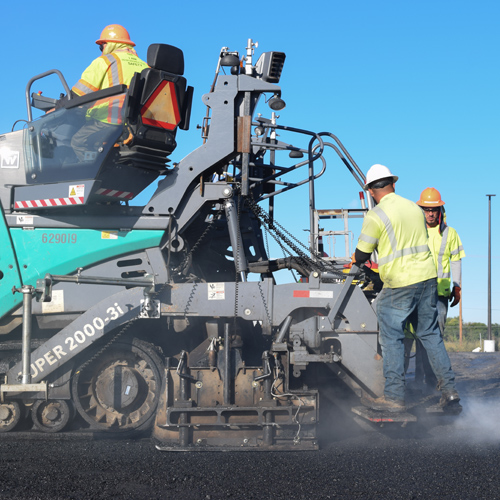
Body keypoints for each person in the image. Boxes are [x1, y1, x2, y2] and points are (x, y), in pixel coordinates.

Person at [354, 164, 461, 412]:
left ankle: (393, 396)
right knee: (431, 335)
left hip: (400, 282)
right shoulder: (414, 208)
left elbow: (362, 254)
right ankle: (450, 391)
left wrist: (358, 259)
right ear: (393, 184)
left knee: (391, 334)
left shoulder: (375, 215)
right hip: (427, 280)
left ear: (370, 191)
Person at [404, 188, 466, 392]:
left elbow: (455, 260)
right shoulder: (413, 232)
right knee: (410, 337)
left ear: (440, 210)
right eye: (426, 209)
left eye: (434, 209)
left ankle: (431, 381)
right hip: (416, 292)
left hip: (439, 295)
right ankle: (414, 379)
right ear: (420, 209)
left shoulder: (449, 233)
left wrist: (456, 286)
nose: (430, 213)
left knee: (433, 339)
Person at [70, 25, 148, 160]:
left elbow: (78, 95)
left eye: (102, 46)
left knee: (78, 142)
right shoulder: (146, 66)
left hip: (109, 121)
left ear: (109, 44)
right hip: (135, 127)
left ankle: (90, 173)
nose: (101, 50)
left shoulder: (105, 61)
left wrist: (57, 108)